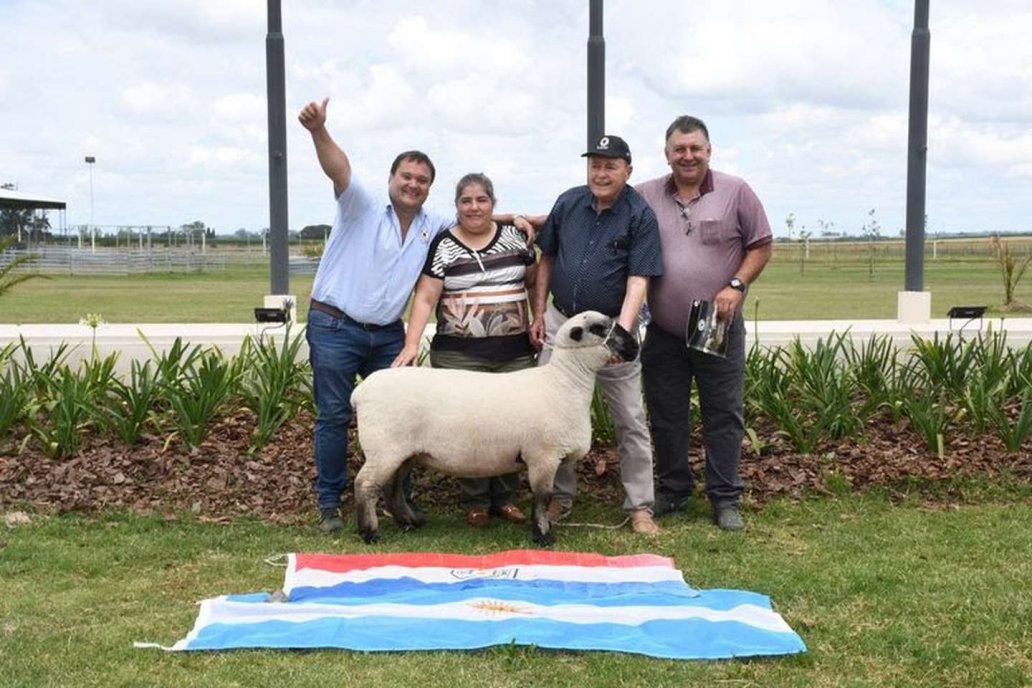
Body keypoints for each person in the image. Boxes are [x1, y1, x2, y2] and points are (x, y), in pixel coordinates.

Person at [298, 97, 454, 533]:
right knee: (333, 414)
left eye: (422, 180)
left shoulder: (432, 223)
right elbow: (338, 168)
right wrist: (318, 131)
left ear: (428, 187)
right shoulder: (361, 204)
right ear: (391, 178)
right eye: (406, 176)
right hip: (334, 326)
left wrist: (522, 218)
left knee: (404, 415)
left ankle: (397, 500)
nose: (413, 185)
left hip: (387, 335)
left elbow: (475, 218)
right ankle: (330, 502)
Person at [635, 115, 773, 531]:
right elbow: (594, 208)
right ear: (667, 153)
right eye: (680, 149)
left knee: (723, 413)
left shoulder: (736, 191)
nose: (688, 156)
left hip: (715, 322)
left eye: (696, 148)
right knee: (666, 413)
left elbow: (761, 245)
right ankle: (675, 491)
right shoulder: (643, 196)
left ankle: (725, 497)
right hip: (664, 328)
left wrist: (736, 284)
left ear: (709, 151)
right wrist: (525, 220)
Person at [529, 134, 663, 536]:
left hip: (609, 330)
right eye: (595, 164)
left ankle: (640, 506)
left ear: (628, 170)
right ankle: (559, 497)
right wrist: (539, 312)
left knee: (630, 418)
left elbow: (638, 280)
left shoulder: (640, 215)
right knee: (552, 417)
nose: (600, 172)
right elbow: (547, 258)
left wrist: (621, 333)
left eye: (610, 165)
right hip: (561, 325)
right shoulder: (568, 202)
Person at [392, 172, 537, 528]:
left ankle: (505, 499)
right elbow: (426, 297)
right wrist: (412, 344)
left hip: (514, 353)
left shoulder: (516, 238)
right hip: (459, 355)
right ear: (457, 206)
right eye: (466, 201)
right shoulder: (443, 244)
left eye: (481, 200)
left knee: (512, 425)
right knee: (470, 427)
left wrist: (540, 316)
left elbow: (534, 283)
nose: (474, 207)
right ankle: (475, 502)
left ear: (493, 204)